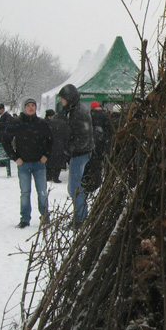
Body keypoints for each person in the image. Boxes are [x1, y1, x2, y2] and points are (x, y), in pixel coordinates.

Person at [3, 98, 52, 228]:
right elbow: (5, 141)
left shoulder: (42, 123)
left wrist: (46, 154)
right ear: (24, 108)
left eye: (33, 105)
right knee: (25, 192)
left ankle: (45, 216)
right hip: (23, 163)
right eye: (28, 105)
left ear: (36, 108)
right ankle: (25, 219)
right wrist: (14, 157)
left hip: (39, 164)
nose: (31, 108)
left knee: (42, 191)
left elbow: (51, 140)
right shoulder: (17, 123)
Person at [58, 84, 95, 226]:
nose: (62, 101)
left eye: (63, 99)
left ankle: (80, 217)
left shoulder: (78, 112)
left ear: (69, 98)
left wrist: (70, 148)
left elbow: (83, 136)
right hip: (82, 152)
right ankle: (82, 214)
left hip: (80, 153)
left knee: (74, 186)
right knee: (75, 186)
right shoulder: (76, 109)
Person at [82, 101, 113, 193]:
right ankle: (98, 179)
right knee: (100, 162)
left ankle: (88, 181)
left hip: (91, 143)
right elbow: (109, 130)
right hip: (102, 143)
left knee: (90, 162)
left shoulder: (89, 115)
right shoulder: (105, 115)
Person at [44, 109, 69, 183]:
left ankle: (48, 176)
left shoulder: (51, 123)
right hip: (60, 145)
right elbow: (67, 135)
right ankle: (55, 177)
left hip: (51, 144)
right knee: (58, 161)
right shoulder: (65, 123)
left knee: (49, 160)